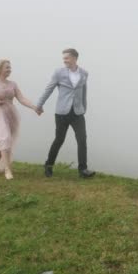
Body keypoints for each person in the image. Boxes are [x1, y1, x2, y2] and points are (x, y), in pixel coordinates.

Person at [36, 48, 96, 178]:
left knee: (82, 139)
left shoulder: (84, 73)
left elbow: (84, 91)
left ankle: (83, 170)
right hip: (62, 113)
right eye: (64, 58)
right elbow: (49, 89)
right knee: (59, 139)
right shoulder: (59, 73)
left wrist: (84, 108)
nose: (64, 61)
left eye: (67, 58)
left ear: (74, 58)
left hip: (78, 113)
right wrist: (39, 105)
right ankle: (48, 165)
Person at [0, 59, 39, 180]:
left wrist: (34, 107)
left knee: (6, 141)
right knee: (4, 138)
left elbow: (21, 98)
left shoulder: (13, 84)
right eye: (7, 68)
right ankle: (7, 169)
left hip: (10, 114)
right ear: (0, 69)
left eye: (10, 68)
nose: (9, 70)